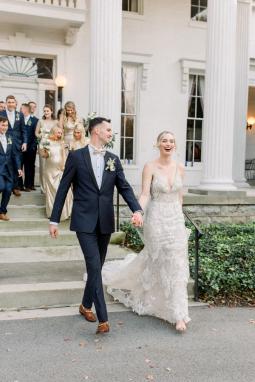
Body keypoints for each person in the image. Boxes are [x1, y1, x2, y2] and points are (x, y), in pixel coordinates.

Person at [49, 117, 143, 334]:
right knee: (94, 267)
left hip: (105, 222)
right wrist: (54, 220)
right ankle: (103, 319)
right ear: (96, 131)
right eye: (108, 129)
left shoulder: (113, 159)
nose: (111, 133)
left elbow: (125, 188)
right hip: (83, 220)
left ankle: (84, 305)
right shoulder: (76, 156)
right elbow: (63, 188)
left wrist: (137, 209)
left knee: (96, 267)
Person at [103, 131, 190, 332]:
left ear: (174, 145)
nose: (168, 144)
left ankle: (179, 315)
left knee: (177, 264)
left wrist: (180, 218)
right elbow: (144, 194)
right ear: (157, 144)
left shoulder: (180, 168)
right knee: (157, 260)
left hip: (175, 220)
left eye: (171, 141)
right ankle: (152, 297)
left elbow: (180, 197)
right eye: (164, 140)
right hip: (157, 219)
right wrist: (138, 212)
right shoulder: (150, 167)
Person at [42, 126, 72, 220]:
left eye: (61, 133)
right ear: (53, 132)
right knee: (52, 192)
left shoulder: (62, 143)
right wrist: (45, 150)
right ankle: (52, 213)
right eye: (58, 133)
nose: (60, 135)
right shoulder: (46, 141)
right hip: (50, 171)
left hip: (60, 170)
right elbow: (44, 155)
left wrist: (64, 167)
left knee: (64, 191)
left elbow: (64, 156)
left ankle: (64, 213)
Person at [0, 95, 27, 197]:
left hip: (17, 144)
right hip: (3, 142)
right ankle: (4, 185)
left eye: (12, 102)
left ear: (16, 104)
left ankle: (15, 187)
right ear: (6, 103)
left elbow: (23, 130)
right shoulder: (1, 113)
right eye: (9, 102)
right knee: (5, 163)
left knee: (17, 164)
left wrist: (24, 142)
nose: (11, 104)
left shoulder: (19, 115)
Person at [0, 116, 22, 221]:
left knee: (8, 190)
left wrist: (18, 168)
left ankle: (2, 212)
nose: (5, 127)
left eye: (6, 125)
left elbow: (15, 154)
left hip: (8, 169)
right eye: (2, 125)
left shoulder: (10, 137)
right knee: (1, 187)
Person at [35, 104, 57, 193]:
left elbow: (58, 133)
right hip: (43, 144)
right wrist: (41, 135)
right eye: (44, 111)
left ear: (51, 111)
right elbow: (36, 133)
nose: (46, 112)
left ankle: (51, 186)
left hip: (52, 145)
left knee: (51, 166)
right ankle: (43, 187)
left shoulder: (55, 122)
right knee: (43, 166)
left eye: (47, 111)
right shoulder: (41, 121)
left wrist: (52, 137)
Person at [21, 103, 39, 191]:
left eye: (22, 109)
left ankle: (29, 185)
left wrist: (34, 146)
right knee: (20, 166)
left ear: (26, 110)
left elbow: (36, 135)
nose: (21, 111)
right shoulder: (19, 119)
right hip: (20, 147)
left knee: (30, 166)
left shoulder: (35, 120)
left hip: (31, 147)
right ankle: (20, 185)